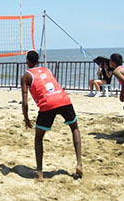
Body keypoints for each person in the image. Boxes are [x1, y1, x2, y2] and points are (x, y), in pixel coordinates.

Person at [21, 50, 83, 180]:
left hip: (47, 103)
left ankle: (39, 173)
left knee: (39, 137)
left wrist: (26, 118)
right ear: (38, 61)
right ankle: (79, 163)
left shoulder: (26, 76)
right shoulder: (47, 70)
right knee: (75, 128)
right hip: (63, 99)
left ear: (27, 61)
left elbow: (25, 102)